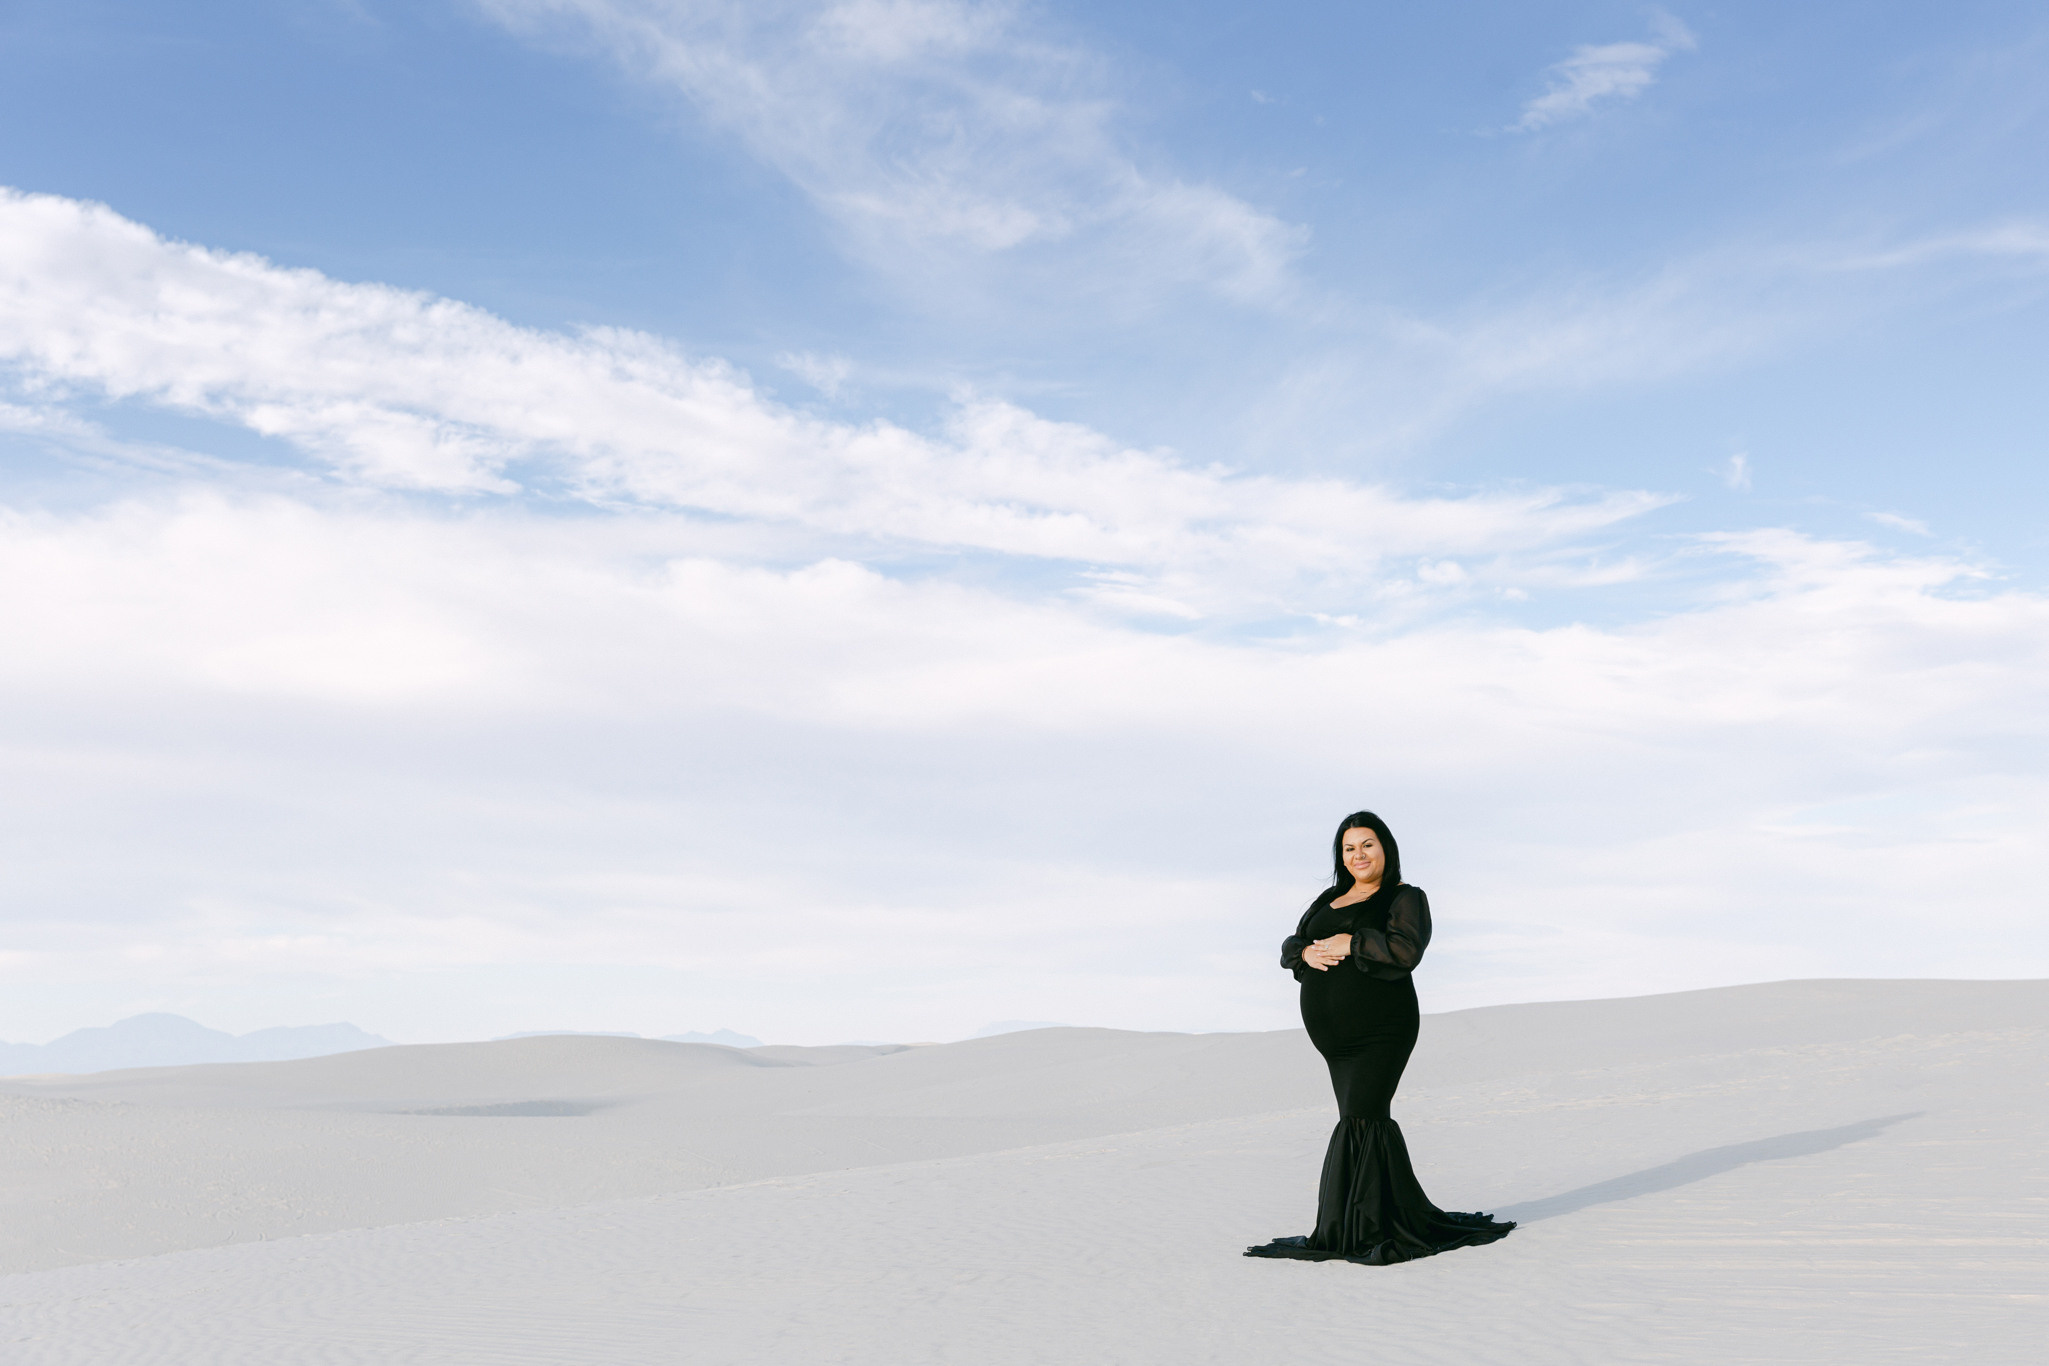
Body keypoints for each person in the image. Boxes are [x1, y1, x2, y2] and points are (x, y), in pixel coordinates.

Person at [1244, 810, 1515, 1266]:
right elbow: (1290, 947)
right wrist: (1307, 950)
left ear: (1385, 848)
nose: (1358, 855)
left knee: (1364, 1116)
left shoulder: (1405, 897)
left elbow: (1405, 950)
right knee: (1359, 1116)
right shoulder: (1328, 899)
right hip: (1336, 1040)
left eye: (1367, 844)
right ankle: (1367, 1219)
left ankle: (1365, 1226)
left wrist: (1349, 942)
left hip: (1382, 1028)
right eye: (1349, 848)